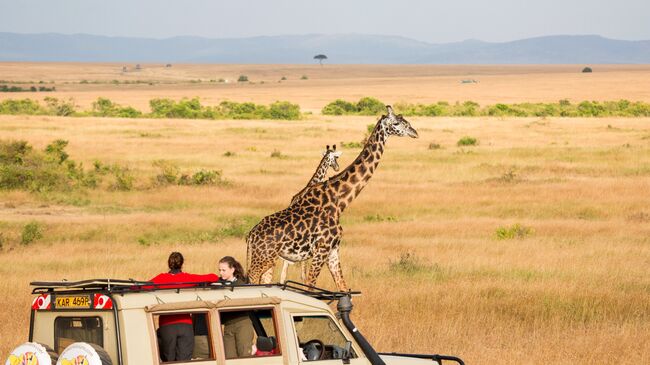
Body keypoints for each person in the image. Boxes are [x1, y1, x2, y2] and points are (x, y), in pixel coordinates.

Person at [150, 252, 218, 362]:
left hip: (167, 325)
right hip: (185, 324)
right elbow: (213, 277)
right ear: (182, 264)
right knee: (185, 360)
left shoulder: (161, 278)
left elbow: (142, 286)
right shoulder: (188, 278)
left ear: (169, 264)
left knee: (169, 360)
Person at [218, 256, 255, 358]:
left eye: (223, 270)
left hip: (242, 323)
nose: (221, 273)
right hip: (228, 325)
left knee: (244, 356)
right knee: (229, 357)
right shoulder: (218, 284)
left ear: (232, 269)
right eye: (220, 270)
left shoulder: (241, 285)